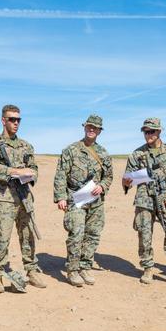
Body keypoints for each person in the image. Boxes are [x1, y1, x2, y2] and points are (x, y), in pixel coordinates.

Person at [0, 104, 46, 292]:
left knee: (27, 236)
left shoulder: (26, 145)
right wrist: (15, 171)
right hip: (4, 199)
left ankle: (31, 270)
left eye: (18, 119)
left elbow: (34, 169)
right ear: (3, 120)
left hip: (25, 198)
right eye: (12, 119)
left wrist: (30, 174)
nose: (16, 123)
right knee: (2, 237)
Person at [122, 118, 166, 287]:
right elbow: (127, 178)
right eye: (146, 132)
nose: (148, 135)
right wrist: (127, 181)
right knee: (144, 235)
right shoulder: (137, 154)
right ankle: (147, 268)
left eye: (152, 131)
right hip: (145, 199)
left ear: (159, 132)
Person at [53, 114, 114, 287]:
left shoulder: (103, 153)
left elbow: (108, 176)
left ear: (100, 131)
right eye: (89, 126)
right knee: (76, 233)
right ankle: (72, 270)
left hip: (96, 201)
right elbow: (60, 175)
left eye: (95, 127)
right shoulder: (71, 150)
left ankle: (85, 266)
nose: (91, 129)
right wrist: (61, 197)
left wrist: (102, 186)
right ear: (84, 127)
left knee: (93, 234)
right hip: (75, 199)